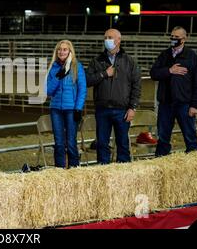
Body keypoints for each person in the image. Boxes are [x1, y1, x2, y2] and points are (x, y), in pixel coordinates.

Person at [86, 28, 141, 164]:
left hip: (122, 110)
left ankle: (124, 173)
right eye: (105, 38)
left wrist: (132, 107)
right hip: (102, 109)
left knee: (122, 143)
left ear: (118, 40)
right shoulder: (97, 60)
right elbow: (87, 80)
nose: (107, 40)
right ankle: (103, 171)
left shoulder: (129, 61)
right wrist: (104, 74)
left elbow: (136, 85)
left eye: (110, 37)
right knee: (102, 144)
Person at [150, 26, 197, 156]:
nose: (173, 39)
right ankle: (161, 162)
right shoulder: (164, 55)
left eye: (177, 37)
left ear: (184, 39)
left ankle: (193, 162)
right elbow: (153, 73)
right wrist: (169, 70)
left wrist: (194, 105)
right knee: (163, 138)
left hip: (184, 104)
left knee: (190, 137)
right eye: (172, 37)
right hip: (166, 104)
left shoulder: (192, 56)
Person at [46, 40, 87, 168]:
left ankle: (74, 170)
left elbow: (82, 89)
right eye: (59, 49)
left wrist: (78, 108)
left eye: (64, 49)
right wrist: (60, 75)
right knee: (58, 143)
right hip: (56, 109)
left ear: (70, 52)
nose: (61, 51)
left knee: (71, 142)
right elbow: (48, 90)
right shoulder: (53, 67)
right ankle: (59, 171)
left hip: (71, 109)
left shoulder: (77, 67)